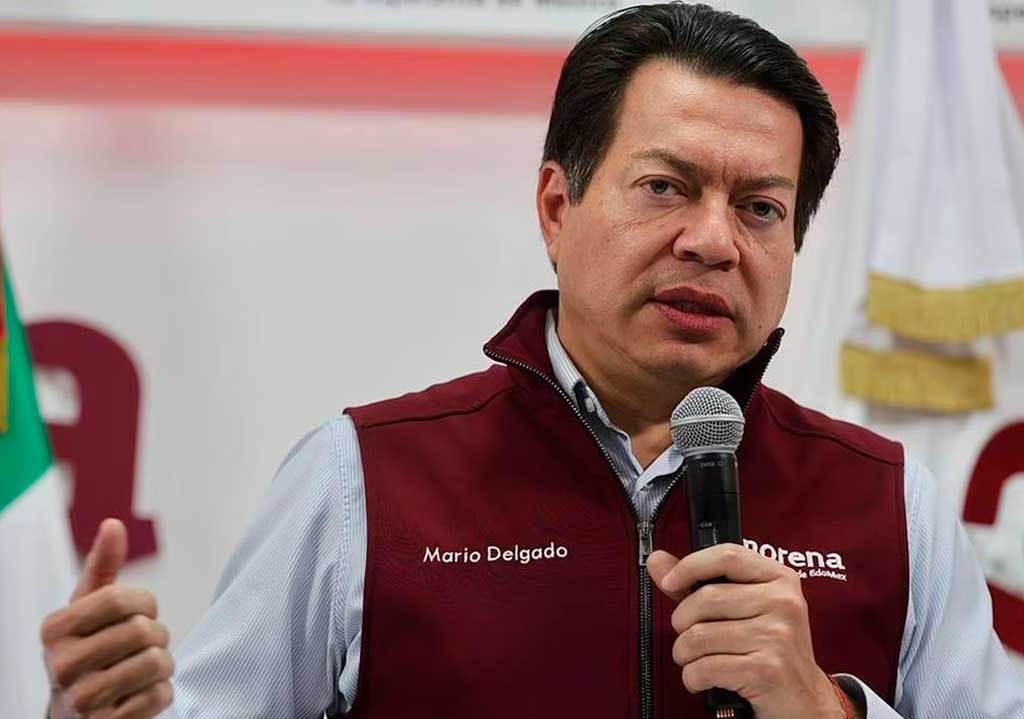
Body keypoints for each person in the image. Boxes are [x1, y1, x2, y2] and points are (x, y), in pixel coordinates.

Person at [39, 3, 1024, 718]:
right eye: (666, 186)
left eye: (760, 207)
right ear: (557, 207)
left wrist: (823, 706)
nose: (713, 241)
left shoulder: (891, 501)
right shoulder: (361, 477)